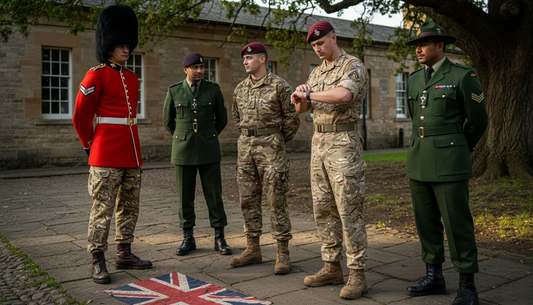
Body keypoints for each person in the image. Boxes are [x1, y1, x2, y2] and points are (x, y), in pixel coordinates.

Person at [404, 20, 488, 305]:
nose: (418, 49)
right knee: (426, 222)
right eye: (416, 45)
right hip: (419, 160)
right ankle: (434, 276)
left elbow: (478, 121)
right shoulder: (414, 78)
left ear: (440, 46)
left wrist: (459, 147)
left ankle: (467, 286)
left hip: (450, 161)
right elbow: (416, 117)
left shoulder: (463, 75)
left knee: (456, 224)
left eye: (424, 44)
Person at [72, 4, 152, 285]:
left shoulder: (131, 77)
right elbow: (81, 115)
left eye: (128, 44)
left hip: (131, 151)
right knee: (102, 208)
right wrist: (88, 145)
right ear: (108, 45)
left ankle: (124, 251)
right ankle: (97, 259)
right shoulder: (96, 75)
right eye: (121, 44)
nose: (126, 49)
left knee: (129, 206)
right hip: (105, 151)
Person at [290, 21, 369, 299]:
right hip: (319, 144)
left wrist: (308, 93)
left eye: (320, 43)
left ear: (333, 38)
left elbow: (344, 94)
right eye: (313, 46)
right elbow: (302, 109)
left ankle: (357, 273)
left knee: (349, 209)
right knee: (322, 208)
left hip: (343, 145)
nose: (317, 49)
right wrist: (299, 97)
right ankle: (331, 266)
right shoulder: (317, 72)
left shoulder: (353, 66)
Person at [230, 42, 300, 275]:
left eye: (249, 58)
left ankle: (283, 253)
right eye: (244, 59)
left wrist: (276, 142)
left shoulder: (280, 86)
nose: (245, 62)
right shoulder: (240, 88)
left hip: (271, 149)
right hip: (245, 149)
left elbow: (291, 120)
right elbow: (236, 118)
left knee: (275, 200)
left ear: (262, 59)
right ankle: (253, 249)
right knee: (247, 200)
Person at [163, 52, 231, 257]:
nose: (200, 71)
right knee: (185, 197)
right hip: (183, 150)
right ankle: (188, 238)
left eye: (202, 68)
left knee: (214, 195)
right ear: (185, 70)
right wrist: (183, 137)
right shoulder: (175, 91)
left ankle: (219, 237)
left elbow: (222, 118)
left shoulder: (213, 90)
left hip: (208, 148)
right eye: (195, 68)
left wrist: (208, 136)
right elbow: (168, 121)